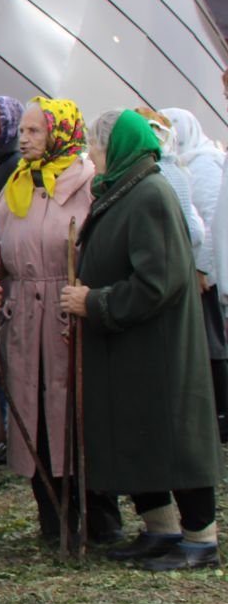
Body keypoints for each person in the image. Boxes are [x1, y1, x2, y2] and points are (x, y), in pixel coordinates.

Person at [70, 111, 222, 570]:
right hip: (132, 347)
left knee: (176, 438)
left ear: (115, 148)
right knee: (141, 437)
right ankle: (162, 529)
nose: (90, 158)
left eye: (95, 148)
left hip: (159, 349)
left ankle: (201, 539)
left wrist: (94, 302)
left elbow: (161, 280)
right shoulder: (123, 190)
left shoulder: (150, 194)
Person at [0, 99, 106, 544]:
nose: (24, 138)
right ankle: (50, 519)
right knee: (33, 414)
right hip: (24, 314)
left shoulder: (87, 183)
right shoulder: (17, 183)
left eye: (35, 131)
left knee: (71, 413)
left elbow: (102, 242)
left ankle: (94, 519)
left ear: (59, 133)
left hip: (67, 312)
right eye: (25, 131)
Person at [164, 106, 228, 443]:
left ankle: (221, 413)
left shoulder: (202, 163)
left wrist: (204, 268)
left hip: (203, 273)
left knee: (212, 343)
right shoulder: (183, 163)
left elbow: (210, 219)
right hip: (198, 269)